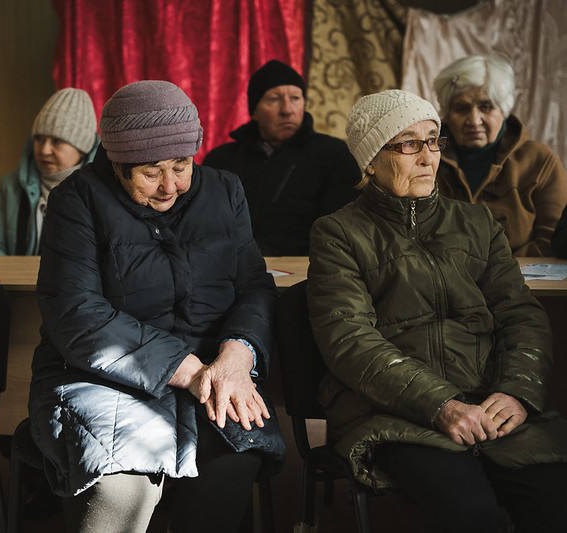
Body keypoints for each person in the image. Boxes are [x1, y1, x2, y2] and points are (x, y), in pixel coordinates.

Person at [29, 80, 285, 532]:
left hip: (215, 367)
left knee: (234, 458)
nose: (171, 186)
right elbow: (77, 316)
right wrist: (190, 371)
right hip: (102, 377)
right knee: (121, 483)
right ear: (116, 163)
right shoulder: (77, 199)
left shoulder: (224, 190)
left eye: (182, 166)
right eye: (151, 172)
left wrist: (236, 355)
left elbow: (254, 288)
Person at [306, 88, 567, 532]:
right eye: (408, 143)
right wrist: (441, 404)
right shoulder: (338, 234)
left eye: (433, 139)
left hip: (489, 399)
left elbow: (521, 316)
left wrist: (517, 392)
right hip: (393, 412)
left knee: (556, 504)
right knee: (470, 514)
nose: (428, 157)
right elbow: (349, 341)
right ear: (370, 160)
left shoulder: (478, 223)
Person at [203, 59, 361, 256]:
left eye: (295, 98)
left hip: (307, 270)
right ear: (255, 111)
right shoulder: (221, 160)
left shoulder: (334, 155)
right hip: (231, 267)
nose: (287, 110)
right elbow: (203, 226)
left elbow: (341, 232)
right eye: (274, 99)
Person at [433, 54, 567, 257]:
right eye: (461, 108)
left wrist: (498, 272)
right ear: (446, 113)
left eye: (486, 107)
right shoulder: (425, 159)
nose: (474, 120)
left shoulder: (540, 161)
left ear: (503, 110)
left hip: (521, 283)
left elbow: (553, 243)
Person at [0, 87, 99, 255]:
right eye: (39, 139)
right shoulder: (10, 186)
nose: (44, 150)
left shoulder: (103, 193)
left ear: (82, 149)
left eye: (57, 141)